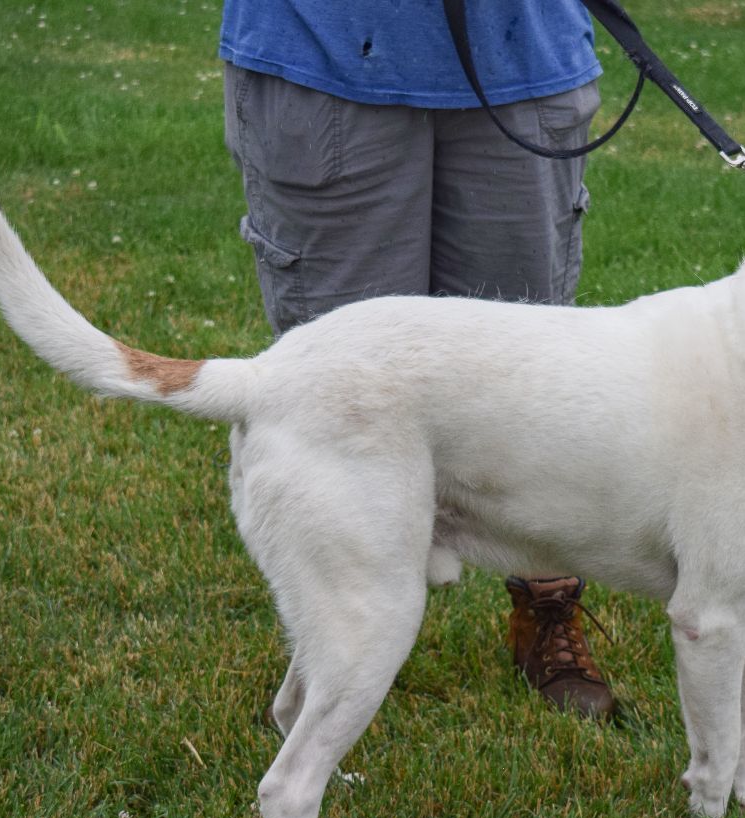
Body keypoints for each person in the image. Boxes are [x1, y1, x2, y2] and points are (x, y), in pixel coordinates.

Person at [220, 0, 615, 717]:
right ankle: (339, 645)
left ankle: (548, 607)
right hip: (325, 55)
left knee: (529, 389)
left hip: (523, 58)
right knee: (343, 394)